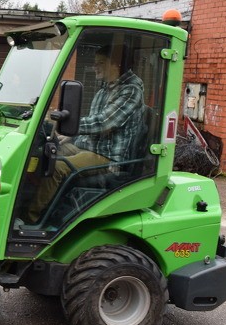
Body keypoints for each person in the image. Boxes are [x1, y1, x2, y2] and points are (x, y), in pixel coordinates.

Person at [26, 46, 144, 223]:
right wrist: (70, 135)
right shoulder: (104, 90)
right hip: (89, 148)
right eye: (94, 62)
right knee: (45, 154)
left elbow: (104, 122)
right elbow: (92, 125)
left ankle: (31, 219)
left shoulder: (131, 90)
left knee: (57, 167)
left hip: (108, 157)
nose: (95, 66)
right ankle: (37, 205)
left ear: (116, 64)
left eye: (100, 63)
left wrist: (69, 125)